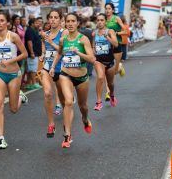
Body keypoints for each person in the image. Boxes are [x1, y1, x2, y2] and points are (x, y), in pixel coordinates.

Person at [49, 13, 95, 148]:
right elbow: (60, 53)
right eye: (67, 21)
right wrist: (52, 67)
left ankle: (85, 119)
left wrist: (78, 53)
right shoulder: (63, 39)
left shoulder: (83, 39)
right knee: (68, 102)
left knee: (83, 106)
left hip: (81, 77)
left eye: (72, 21)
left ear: (77, 23)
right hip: (66, 74)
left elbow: (92, 59)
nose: (70, 24)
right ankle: (67, 135)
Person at [0, 11, 28, 149]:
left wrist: (10, 60)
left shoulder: (13, 37)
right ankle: (1, 138)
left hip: (13, 75)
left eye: (1, 20)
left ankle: (20, 97)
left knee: (13, 109)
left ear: (7, 23)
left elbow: (24, 54)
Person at [39, 10, 65, 138]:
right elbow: (44, 48)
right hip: (47, 68)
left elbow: (64, 51)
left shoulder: (64, 33)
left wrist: (51, 42)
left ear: (60, 20)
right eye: (51, 17)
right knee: (48, 93)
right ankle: (51, 124)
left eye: (56, 17)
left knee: (65, 98)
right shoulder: (46, 34)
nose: (53, 20)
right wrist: (43, 55)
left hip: (62, 69)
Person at [93, 13, 118, 111]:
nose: (100, 22)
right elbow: (93, 46)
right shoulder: (94, 33)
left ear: (105, 21)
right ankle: (99, 102)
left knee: (111, 84)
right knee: (100, 77)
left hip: (110, 61)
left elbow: (115, 44)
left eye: (102, 20)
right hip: (99, 61)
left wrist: (107, 37)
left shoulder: (110, 31)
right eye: (98, 20)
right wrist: (94, 53)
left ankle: (111, 95)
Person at [105, 3, 127, 102]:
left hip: (117, 45)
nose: (107, 10)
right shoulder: (103, 20)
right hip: (107, 47)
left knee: (114, 71)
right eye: (106, 9)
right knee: (107, 70)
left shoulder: (116, 18)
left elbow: (126, 31)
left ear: (113, 10)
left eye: (109, 9)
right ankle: (108, 92)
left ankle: (120, 67)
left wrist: (116, 33)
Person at [24, 18, 42, 90]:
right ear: (32, 24)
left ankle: (29, 83)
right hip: (32, 53)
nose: (38, 24)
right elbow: (29, 42)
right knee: (32, 70)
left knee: (30, 69)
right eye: (37, 23)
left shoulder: (34, 30)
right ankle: (34, 83)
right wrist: (31, 52)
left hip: (35, 53)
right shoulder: (30, 31)